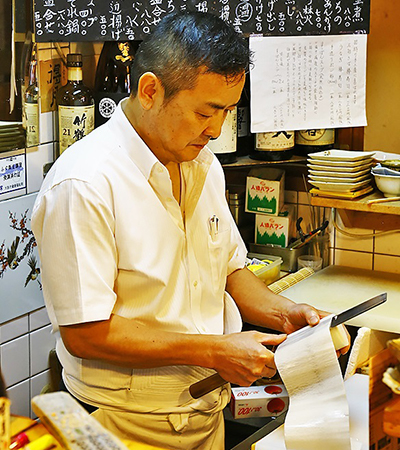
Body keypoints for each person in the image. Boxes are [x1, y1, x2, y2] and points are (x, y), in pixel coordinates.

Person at [31, 11, 348, 450]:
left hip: (203, 417)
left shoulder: (202, 164)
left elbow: (231, 271)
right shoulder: (84, 184)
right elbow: (85, 333)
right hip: (121, 425)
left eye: (227, 111)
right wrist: (215, 351)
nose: (216, 129)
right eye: (205, 111)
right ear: (150, 91)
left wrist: (285, 314)